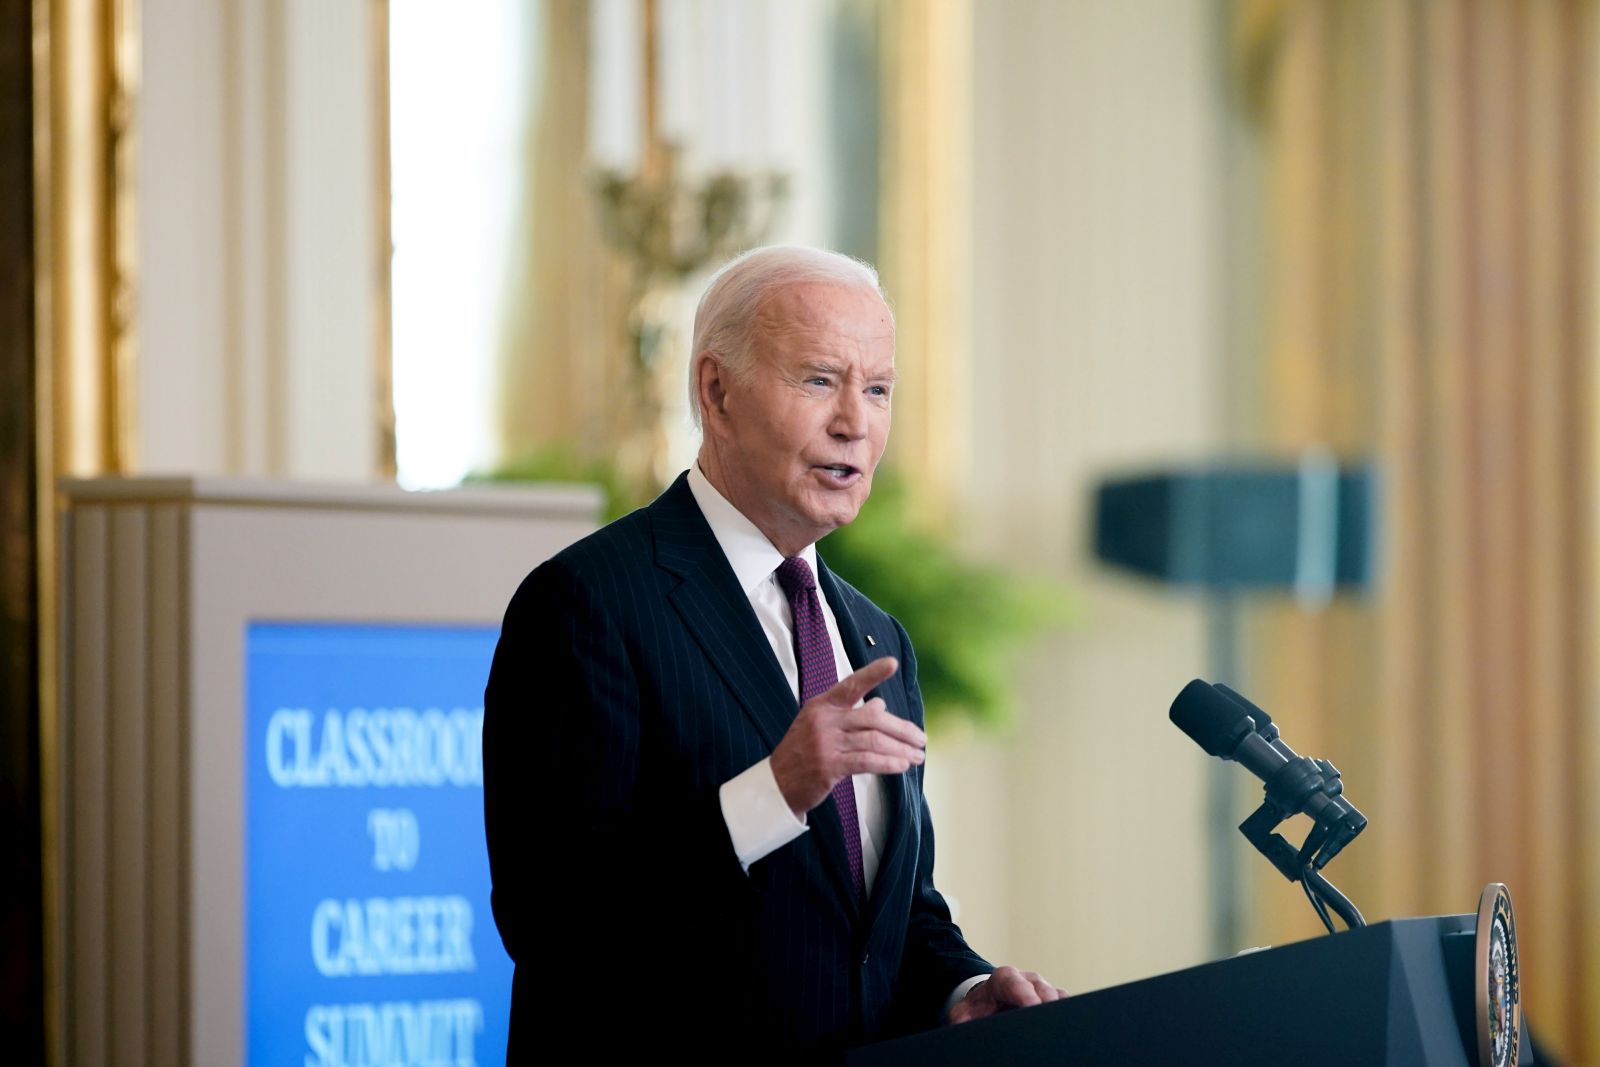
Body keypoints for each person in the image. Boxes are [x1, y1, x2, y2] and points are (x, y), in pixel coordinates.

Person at [483, 245, 1063, 1060]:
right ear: (716, 392)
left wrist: (962, 989)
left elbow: (889, 911)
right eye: (820, 380)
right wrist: (775, 789)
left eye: (879, 389)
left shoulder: (875, 637)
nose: (854, 421)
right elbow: (555, 921)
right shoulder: (588, 603)